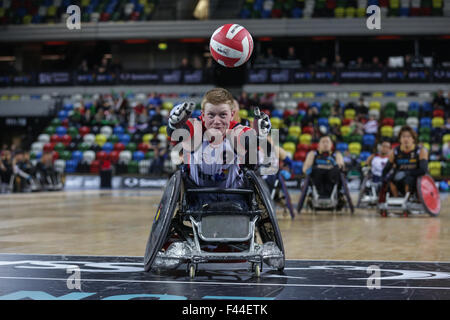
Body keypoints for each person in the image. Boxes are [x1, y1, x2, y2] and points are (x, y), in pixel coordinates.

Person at [166, 87, 272, 209]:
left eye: (222, 115)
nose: (217, 121)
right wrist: (173, 125)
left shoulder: (238, 129)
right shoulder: (194, 125)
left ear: (232, 115)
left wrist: (259, 136)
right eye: (211, 115)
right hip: (197, 197)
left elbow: (248, 138)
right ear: (203, 115)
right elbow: (176, 132)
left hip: (234, 197)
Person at [382, 126, 428, 197]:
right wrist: (382, 179)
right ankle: (396, 198)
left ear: (413, 139)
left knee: (408, 180)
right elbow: (386, 168)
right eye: (403, 137)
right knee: (390, 180)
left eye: (409, 137)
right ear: (400, 139)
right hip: (399, 177)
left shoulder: (420, 151)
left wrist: (407, 173)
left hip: (415, 177)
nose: (406, 139)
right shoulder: (395, 151)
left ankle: (408, 198)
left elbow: (423, 170)